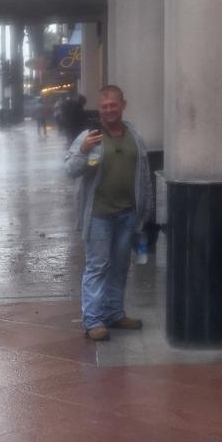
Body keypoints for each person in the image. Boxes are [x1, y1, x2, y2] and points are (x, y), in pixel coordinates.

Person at [64, 85, 152, 342]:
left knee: (121, 266)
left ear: (123, 105)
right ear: (99, 109)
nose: (109, 110)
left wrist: (144, 211)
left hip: (127, 214)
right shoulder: (89, 136)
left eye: (114, 105)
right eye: (105, 106)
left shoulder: (134, 136)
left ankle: (114, 313)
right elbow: (69, 169)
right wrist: (82, 151)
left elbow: (144, 174)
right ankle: (93, 320)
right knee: (98, 266)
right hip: (99, 216)